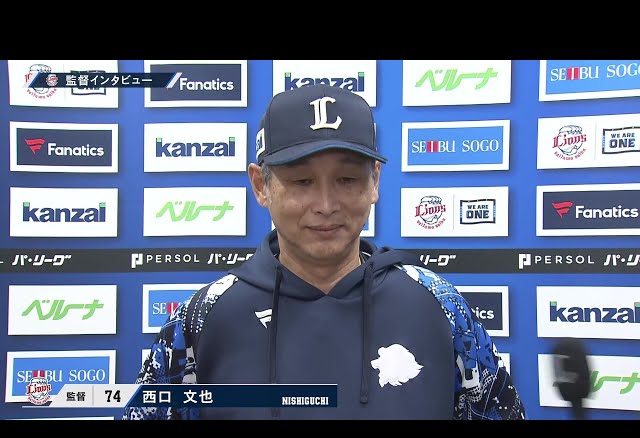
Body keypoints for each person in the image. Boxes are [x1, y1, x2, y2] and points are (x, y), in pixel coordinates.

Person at [123, 84, 526, 420]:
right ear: (261, 186)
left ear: (374, 181)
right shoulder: (203, 317)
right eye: (302, 182)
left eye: (347, 179)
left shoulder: (439, 305)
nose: (326, 204)